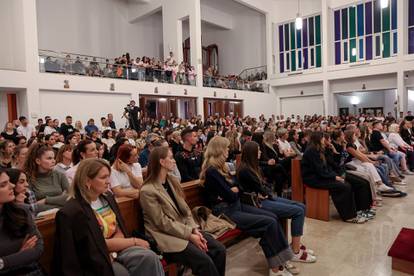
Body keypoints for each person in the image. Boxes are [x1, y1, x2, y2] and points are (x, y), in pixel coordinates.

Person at [52, 158, 164, 276]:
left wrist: (115, 249)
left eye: (108, 177)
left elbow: (119, 229)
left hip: (116, 248)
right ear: (87, 181)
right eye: (103, 177)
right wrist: (134, 241)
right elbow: (93, 245)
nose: (108, 182)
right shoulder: (73, 211)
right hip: (93, 259)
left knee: (148, 257)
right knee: (121, 273)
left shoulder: (107, 197)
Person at [201, 136, 294, 276]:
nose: (228, 150)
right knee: (268, 223)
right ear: (219, 150)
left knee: (273, 217)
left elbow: (237, 188)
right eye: (226, 148)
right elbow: (231, 195)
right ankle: (275, 268)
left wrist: (232, 190)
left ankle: (282, 260)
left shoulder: (222, 168)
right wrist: (232, 190)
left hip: (235, 205)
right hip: (225, 212)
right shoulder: (212, 171)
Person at [140, 146, 226, 276]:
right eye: (171, 158)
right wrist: (190, 235)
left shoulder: (172, 181)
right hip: (166, 236)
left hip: (184, 229)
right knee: (204, 261)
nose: (174, 161)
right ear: (161, 162)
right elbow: (162, 223)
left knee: (219, 250)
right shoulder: (148, 190)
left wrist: (195, 229)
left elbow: (185, 210)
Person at [237, 141, 316, 267]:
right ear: (252, 153)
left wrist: (265, 191)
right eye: (258, 150)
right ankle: (295, 251)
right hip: (257, 203)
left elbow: (264, 187)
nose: (260, 152)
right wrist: (265, 192)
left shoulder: (253, 166)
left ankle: (294, 245)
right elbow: (261, 189)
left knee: (301, 206)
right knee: (299, 211)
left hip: (265, 198)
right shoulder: (245, 170)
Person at [301, 132, 368, 223]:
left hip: (320, 176)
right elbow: (320, 170)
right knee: (344, 186)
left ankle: (353, 212)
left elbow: (326, 167)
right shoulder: (312, 151)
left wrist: (334, 176)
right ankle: (349, 216)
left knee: (346, 184)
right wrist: (334, 177)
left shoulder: (318, 149)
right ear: (318, 139)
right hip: (313, 179)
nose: (324, 140)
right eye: (323, 138)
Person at [0, 168, 44, 275]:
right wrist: (20, 254)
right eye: (3, 184)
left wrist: (3, 262)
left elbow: (38, 248)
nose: (13, 186)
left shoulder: (21, 210)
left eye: (9, 181)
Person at [24, 143, 69, 210]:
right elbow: (33, 207)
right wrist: (60, 202)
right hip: (40, 218)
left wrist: (46, 200)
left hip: (61, 215)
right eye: (49, 158)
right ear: (38, 161)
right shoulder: (28, 178)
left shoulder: (60, 175)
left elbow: (70, 197)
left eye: (54, 158)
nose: (54, 161)